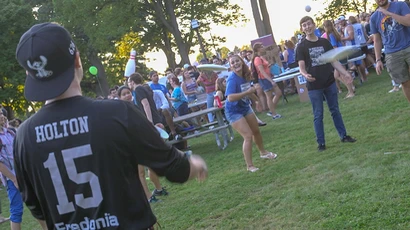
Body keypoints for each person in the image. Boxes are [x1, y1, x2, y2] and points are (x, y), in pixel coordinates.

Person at [14, 22, 207, 229]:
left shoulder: (23, 136)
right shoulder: (117, 113)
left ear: (29, 74)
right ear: (77, 59)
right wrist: (195, 165)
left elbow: (37, 208)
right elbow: (174, 167)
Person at [296, 16, 357, 151]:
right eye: (304, 25)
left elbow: (333, 61)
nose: (307, 27)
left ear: (313, 24)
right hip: (314, 86)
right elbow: (301, 66)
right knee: (318, 115)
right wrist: (305, 74)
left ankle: (344, 136)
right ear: (302, 29)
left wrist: (345, 73)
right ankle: (321, 143)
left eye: (309, 24)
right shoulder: (301, 47)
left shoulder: (324, 42)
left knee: (335, 110)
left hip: (329, 82)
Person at [225, 55, 277, 172]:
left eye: (237, 61)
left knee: (256, 131)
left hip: (244, 107)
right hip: (233, 111)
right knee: (248, 136)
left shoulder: (245, 75)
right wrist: (248, 92)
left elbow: (247, 91)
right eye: (233, 63)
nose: (236, 64)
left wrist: (257, 100)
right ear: (230, 66)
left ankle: (263, 153)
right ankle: (250, 166)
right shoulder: (232, 79)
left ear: (242, 62)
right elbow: (230, 98)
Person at [370, 0, 410, 103]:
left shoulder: (400, 5)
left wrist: (390, 14)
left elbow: (408, 21)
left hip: (408, 47)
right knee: (405, 83)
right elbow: (377, 40)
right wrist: (378, 59)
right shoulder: (374, 17)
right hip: (392, 54)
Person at [323, 19, 355, 98]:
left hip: (339, 55)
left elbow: (334, 47)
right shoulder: (335, 33)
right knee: (337, 75)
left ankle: (351, 91)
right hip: (342, 54)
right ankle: (350, 88)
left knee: (342, 74)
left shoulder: (330, 34)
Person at [0, 108, 21, 229]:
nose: (2, 116)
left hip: (23, 174)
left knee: (37, 204)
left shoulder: (10, 132)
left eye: (2, 113)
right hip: (11, 180)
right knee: (16, 211)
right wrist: (13, 179)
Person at [252, 43, 283, 119]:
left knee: (278, 93)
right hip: (264, 79)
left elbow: (265, 67)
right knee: (269, 96)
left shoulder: (261, 57)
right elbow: (261, 71)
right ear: (258, 49)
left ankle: (271, 110)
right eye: (261, 46)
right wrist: (271, 80)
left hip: (268, 77)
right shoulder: (257, 59)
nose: (263, 47)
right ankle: (274, 114)